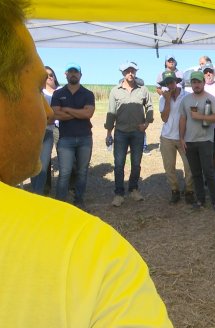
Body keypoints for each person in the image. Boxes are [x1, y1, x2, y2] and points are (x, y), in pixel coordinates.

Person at [0, 0, 173, 326]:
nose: (49, 110)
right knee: (88, 169)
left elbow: (90, 113)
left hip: (124, 135)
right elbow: (97, 115)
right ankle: (112, 191)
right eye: (38, 89)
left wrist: (142, 125)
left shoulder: (136, 91)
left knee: (127, 166)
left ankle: (116, 191)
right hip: (100, 136)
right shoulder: (91, 254)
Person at [105, 61, 153, 207]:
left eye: (132, 70)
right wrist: (109, 133)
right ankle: (119, 193)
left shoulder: (143, 90)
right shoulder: (115, 91)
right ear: (123, 73)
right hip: (120, 133)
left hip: (138, 133)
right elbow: (111, 112)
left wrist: (146, 123)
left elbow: (150, 107)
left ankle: (133, 189)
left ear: (135, 72)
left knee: (136, 163)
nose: (130, 73)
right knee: (119, 164)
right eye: (127, 71)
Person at [179, 71, 215, 213]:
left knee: (208, 172)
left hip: (206, 140)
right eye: (194, 82)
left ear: (203, 83)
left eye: (199, 82)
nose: (196, 85)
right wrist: (181, 138)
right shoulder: (186, 100)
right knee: (195, 173)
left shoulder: (210, 99)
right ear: (191, 84)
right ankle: (200, 200)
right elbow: (183, 119)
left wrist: (200, 116)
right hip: (190, 141)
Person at [52, 62, 95, 208]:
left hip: (85, 138)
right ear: (66, 74)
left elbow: (88, 113)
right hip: (65, 139)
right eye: (70, 72)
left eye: (76, 72)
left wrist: (68, 110)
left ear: (80, 75)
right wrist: (79, 113)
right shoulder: (58, 94)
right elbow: (56, 114)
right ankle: (60, 203)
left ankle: (79, 200)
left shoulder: (88, 94)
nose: (73, 74)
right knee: (65, 172)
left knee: (82, 172)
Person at [158, 71, 195, 204]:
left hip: (184, 136)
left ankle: (189, 190)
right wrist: (167, 101)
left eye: (172, 82)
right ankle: (174, 190)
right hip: (167, 137)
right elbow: (164, 118)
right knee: (169, 166)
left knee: (189, 165)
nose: (170, 85)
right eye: (167, 83)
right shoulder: (163, 99)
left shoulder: (187, 96)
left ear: (176, 81)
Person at [30, 65, 58, 195]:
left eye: (51, 74)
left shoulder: (61, 91)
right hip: (37, 133)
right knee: (36, 165)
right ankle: (37, 193)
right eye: (46, 75)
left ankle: (38, 192)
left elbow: (52, 117)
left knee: (43, 164)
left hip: (51, 131)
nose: (49, 77)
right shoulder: (35, 92)